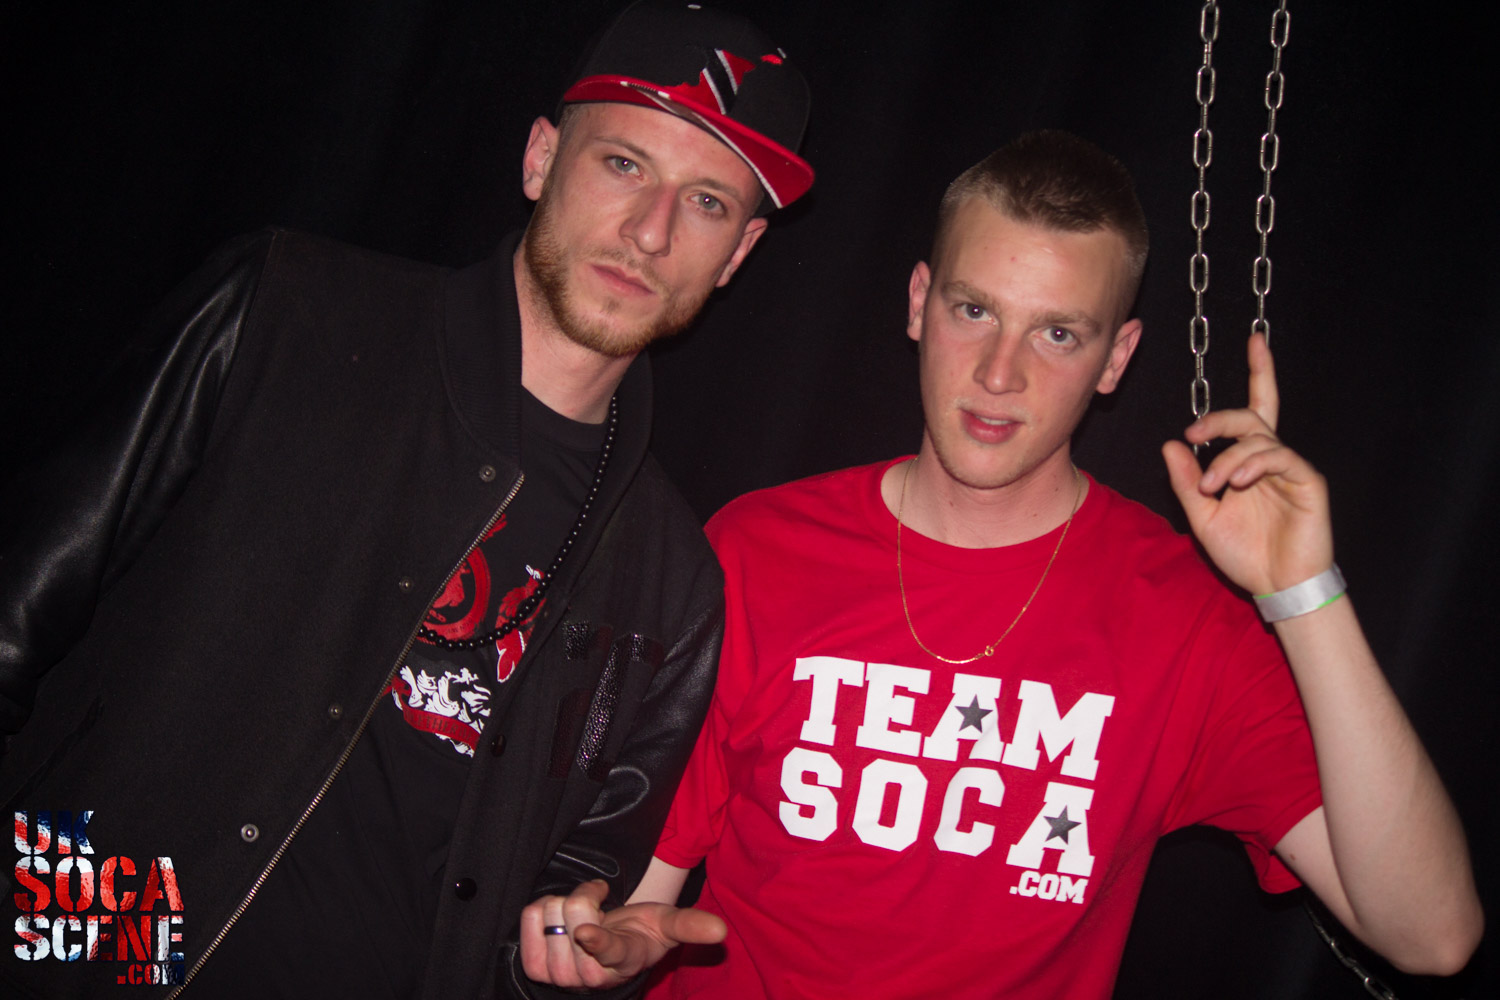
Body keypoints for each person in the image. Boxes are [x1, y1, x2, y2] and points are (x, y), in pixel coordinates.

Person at [518, 131, 1482, 998]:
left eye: (1058, 333)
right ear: (919, 303)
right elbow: (643, 896)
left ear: (1117, 358)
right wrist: (605, 953)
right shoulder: (756, 549)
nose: (999, 372)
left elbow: (1433, 937)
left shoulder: (1181, 619)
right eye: (975, 310)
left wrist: (1302, 593)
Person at [0, 3, 812, 998]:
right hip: (91, 957)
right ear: (540, 159)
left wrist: (570, 966)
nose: (650, 231)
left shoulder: (672, 579)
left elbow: (561, 912)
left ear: (738, 254)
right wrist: (68, 952)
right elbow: (18, 621)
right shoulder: (288, 314)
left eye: (706, 202)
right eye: (623, 164)